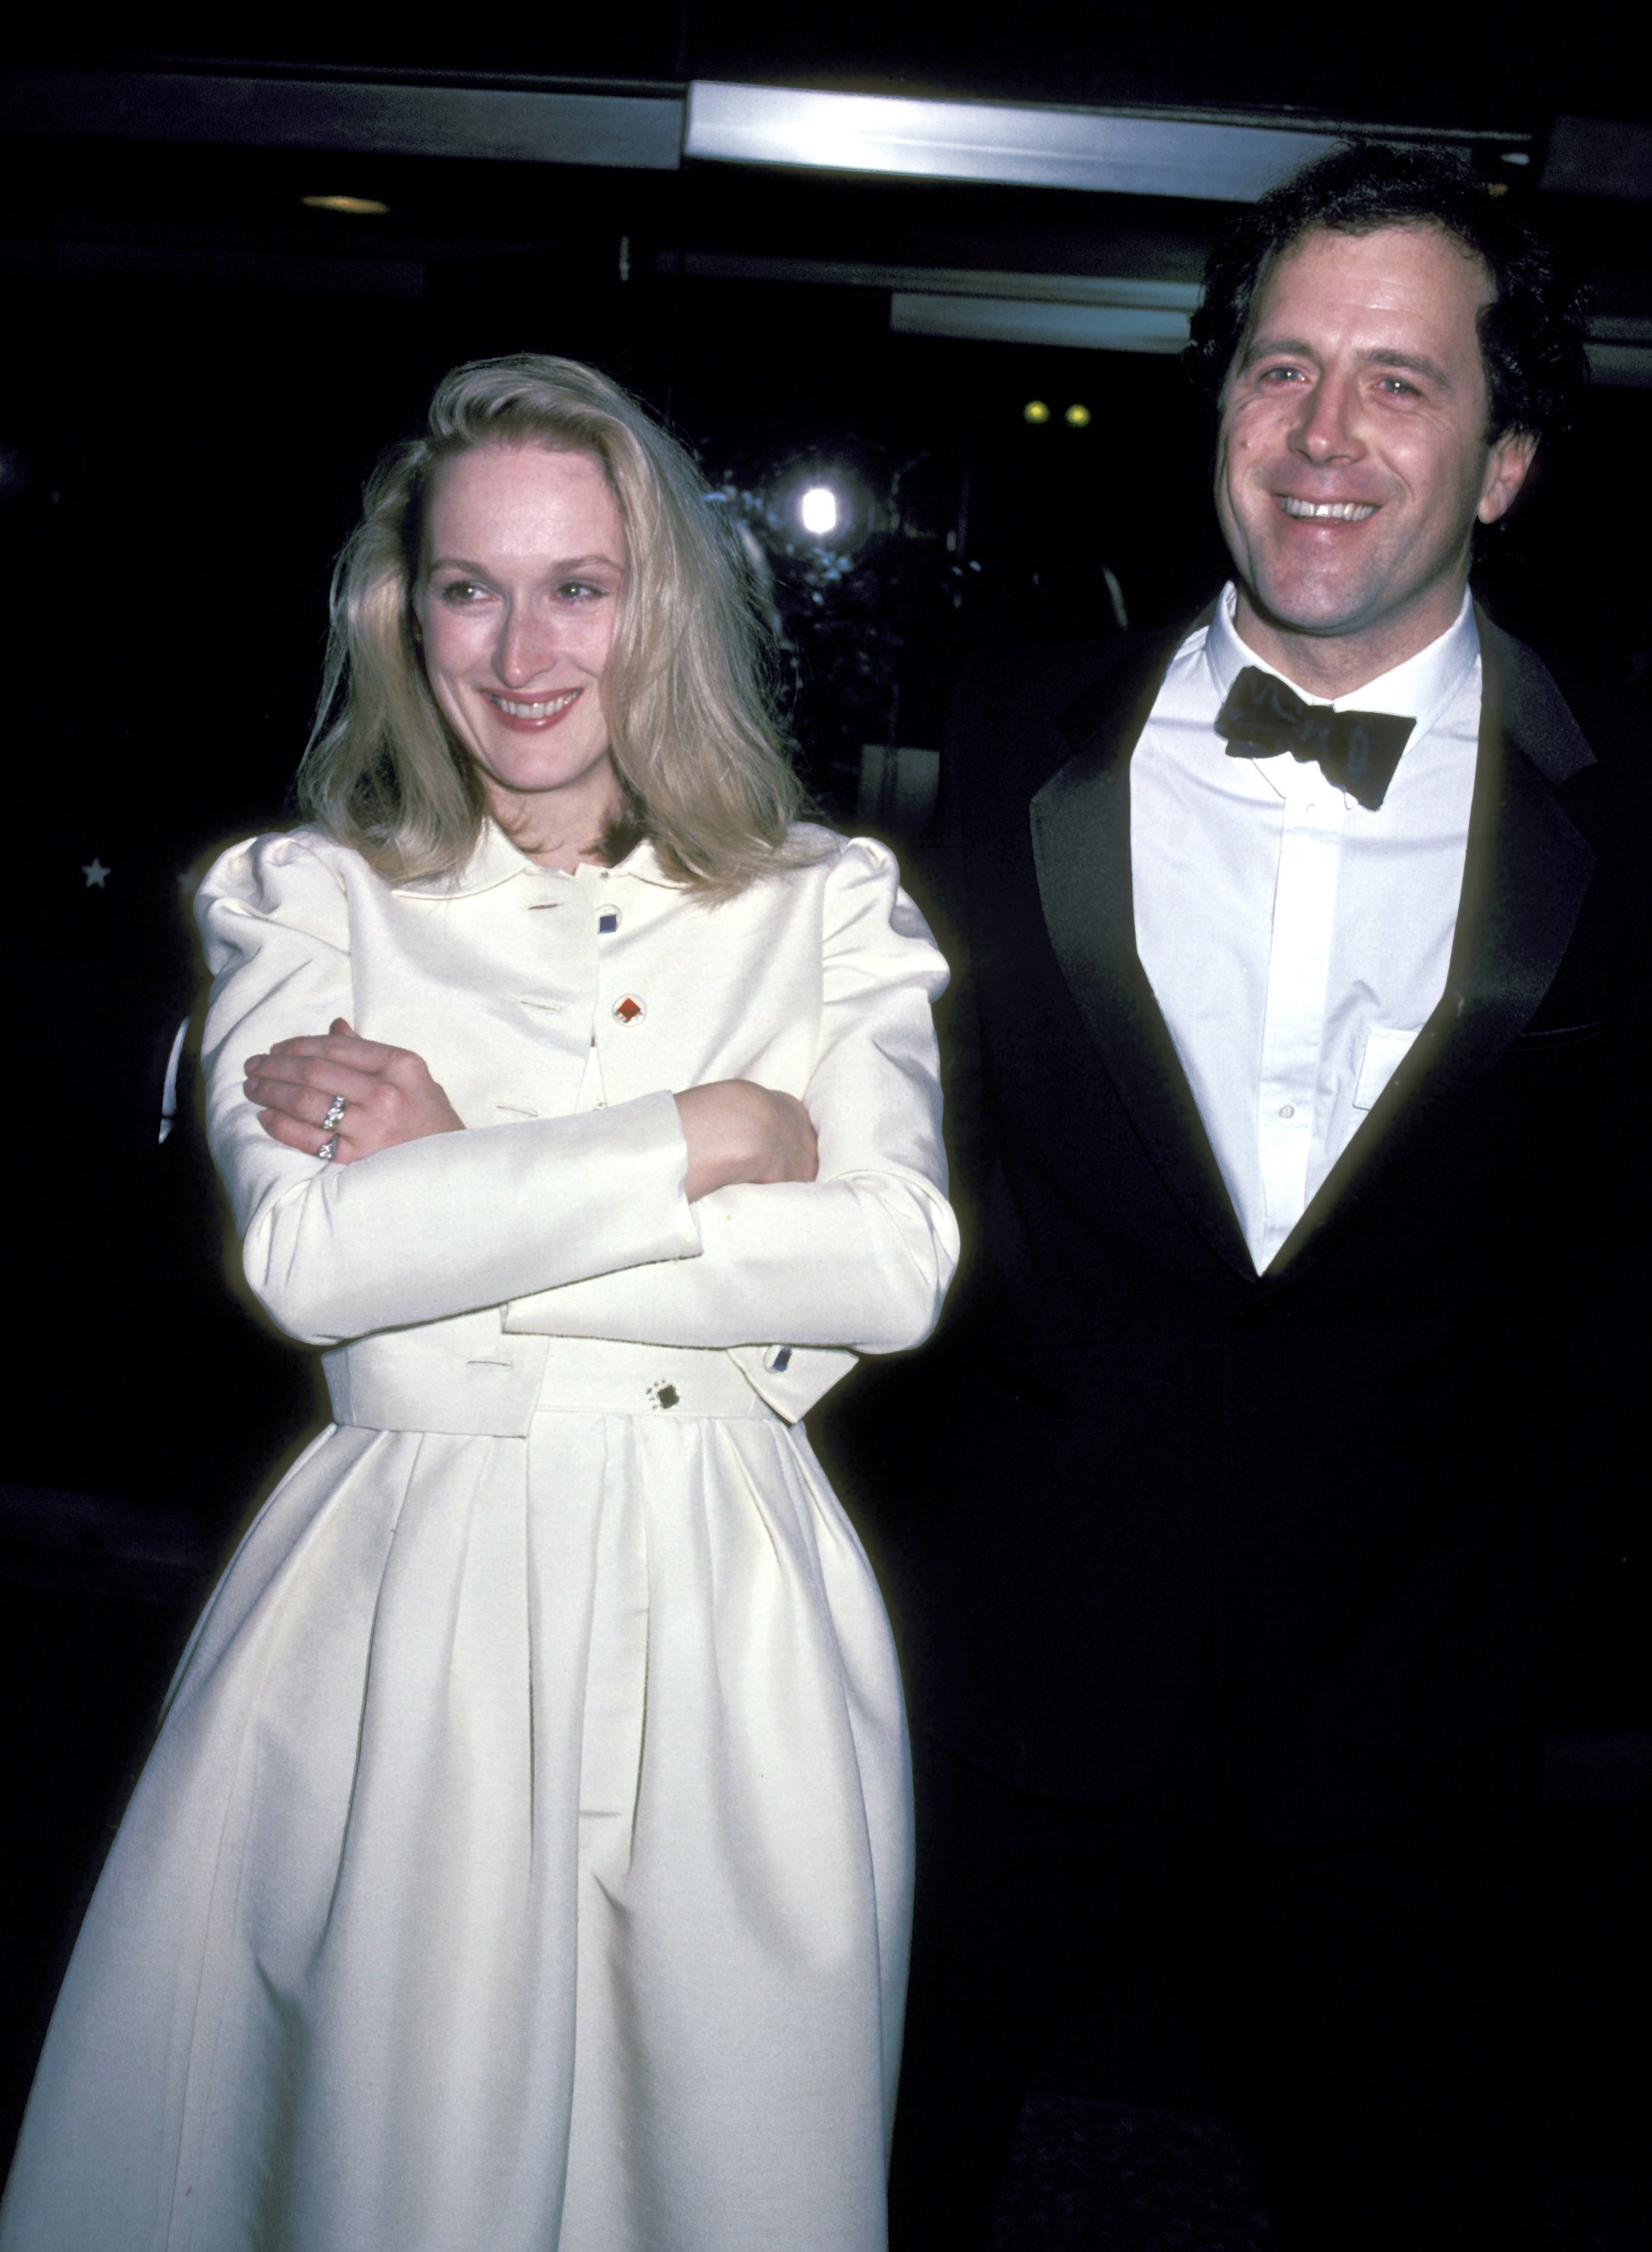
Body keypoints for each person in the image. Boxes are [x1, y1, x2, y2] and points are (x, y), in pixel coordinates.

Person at [0, 354, 957, 2252]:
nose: (522, 651)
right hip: (398, 1616)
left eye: (579, 587)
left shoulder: (828, 903)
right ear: (402, 607)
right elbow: (316, 1264)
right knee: (388, 2163)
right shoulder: (298, 895)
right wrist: (701, 1128)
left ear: (659, 605)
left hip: (735, 1619)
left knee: (719, 2167)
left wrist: (462, 1169)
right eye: (469, 587)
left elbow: (892, 1269)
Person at [840, 145, 1645, 2249]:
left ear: (1502, 462)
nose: (1320, 436)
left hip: (1408, 1701)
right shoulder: (1010, 738)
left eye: (1399, 383)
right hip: (1013, 1659)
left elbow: (1621, 1282)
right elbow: (848, 1093)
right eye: (1280, 369)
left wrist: (1517, 1635)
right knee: (869, 2173)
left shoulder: (1626, 819)